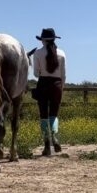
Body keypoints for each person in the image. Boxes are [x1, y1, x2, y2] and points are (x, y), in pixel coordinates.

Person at [31, 28, 66, 156]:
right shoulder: (62, 53)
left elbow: (36, 73)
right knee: (54, 114)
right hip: (57, 84)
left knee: (43, 115)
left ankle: (47, 146)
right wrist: (61, 88)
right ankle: (55, 137)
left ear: (43, 40)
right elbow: (63, 75)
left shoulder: (38, 53)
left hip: (43, 84)